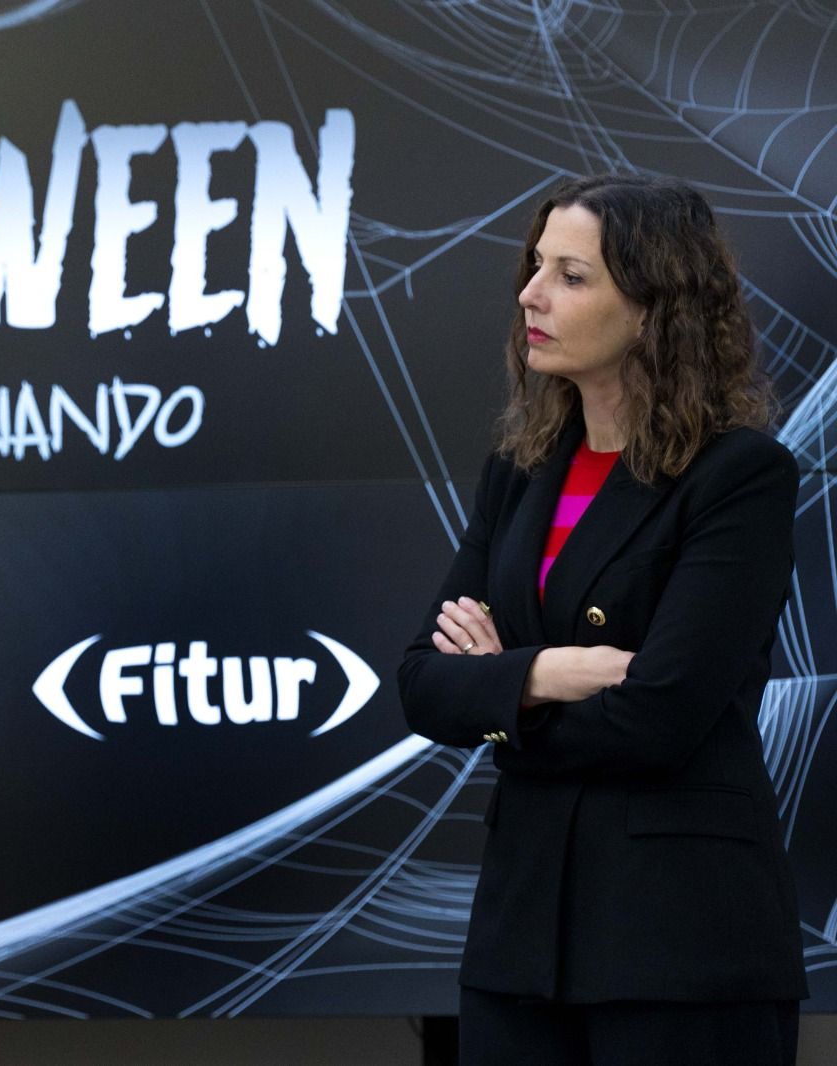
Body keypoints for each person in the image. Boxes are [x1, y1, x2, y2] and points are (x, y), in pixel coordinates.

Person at [398, 174, 805, 1066]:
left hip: (680, 946)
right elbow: (423, 684)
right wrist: (548, 674)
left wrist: (500, 692)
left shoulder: (739, 477)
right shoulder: (520, 467)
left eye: (571, 275)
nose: (530, 295)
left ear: (657, 308)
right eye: (536, 267)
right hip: (521, 940)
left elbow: (661, 717)